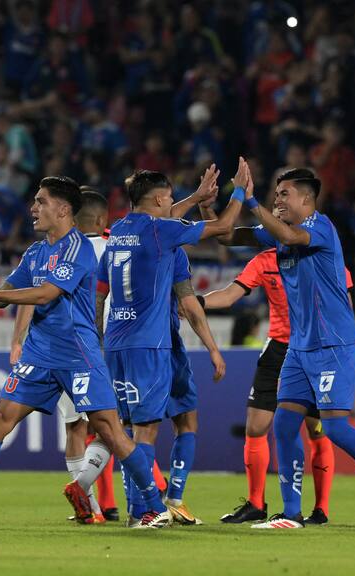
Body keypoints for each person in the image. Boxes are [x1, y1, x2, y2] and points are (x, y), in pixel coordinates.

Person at [0, 176, 171, 528]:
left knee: (110, 431)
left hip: (78, 355)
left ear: (64, 209)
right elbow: (3, 290)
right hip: (39, 354)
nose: (33, 208)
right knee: (0, 418)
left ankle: (155, 507)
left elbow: (44, 295)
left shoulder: (77, 248)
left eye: (41, 201)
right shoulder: (36, 252)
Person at [211, 166, 355, 529]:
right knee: (283, 425)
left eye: (284, 194)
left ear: (306, 198)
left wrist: (252, 200)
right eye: (275, 194)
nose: (278, 199)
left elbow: (286, 231)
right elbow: (226, 238)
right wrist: (217, 207)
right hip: (298, 349)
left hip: (333, 345)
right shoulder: (279, 237)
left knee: (333, 429)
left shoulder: (321, 228)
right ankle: (291, 514)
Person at [94, 166, 234, 526]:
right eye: (170, 197)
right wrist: (243, 196)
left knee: (145, 424)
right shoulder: (163, 236)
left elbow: (100, 292)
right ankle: (143, 510)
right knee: (146, 431)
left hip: (118, 342)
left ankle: (167, 500)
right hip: (152, 344)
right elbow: (220, 230)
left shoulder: (121, 230)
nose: (174, 203)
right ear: (159, 199)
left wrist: (196, 197)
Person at [200, 224, 355, 525]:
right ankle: (256, 503)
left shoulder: (325, 258)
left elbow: (345, 309)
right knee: (256, 427)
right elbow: (231, 295)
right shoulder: (265, 261)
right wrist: (197, 301)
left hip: (315, 349)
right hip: (278, 347)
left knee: (315, 429)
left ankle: (320, 509)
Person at [10, 189, 114, 523]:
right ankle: (139, 504)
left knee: (75, 427)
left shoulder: (64, 251)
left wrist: (17, 341)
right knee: (119, 429)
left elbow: (33, 297)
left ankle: (93, 508)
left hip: (68, 349)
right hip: (104, 348)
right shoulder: (108, 248)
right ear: (102, 220)